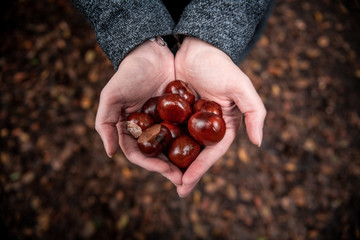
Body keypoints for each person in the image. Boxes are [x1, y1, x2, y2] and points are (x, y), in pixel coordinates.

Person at [72, 0, 274, 197]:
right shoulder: (174, 112)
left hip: (226, 24)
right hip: (147, 20)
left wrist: (214, 38)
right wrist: (131, 32)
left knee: (232, 54)